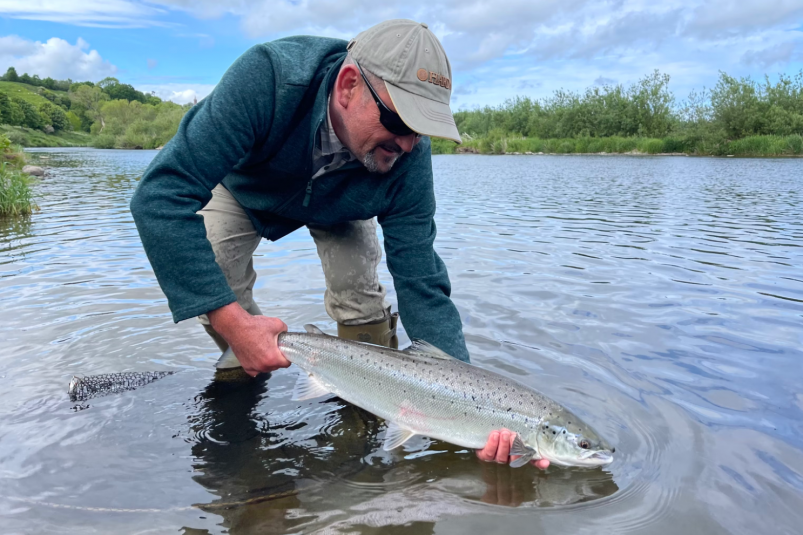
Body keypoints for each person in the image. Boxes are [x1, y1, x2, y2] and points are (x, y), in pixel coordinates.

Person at [130, 19, 548, 469]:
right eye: (399, 121)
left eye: (420, 130)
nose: (407, 145)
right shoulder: (269, 78)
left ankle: (364, 416)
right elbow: (160, 196)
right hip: (246, 189)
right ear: (348, 86)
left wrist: (467, 401)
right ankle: (243, 371)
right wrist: (230, 320)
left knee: (361, 298)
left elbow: (420, 278)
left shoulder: (405, 157)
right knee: (217, 272)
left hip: (343, 202)